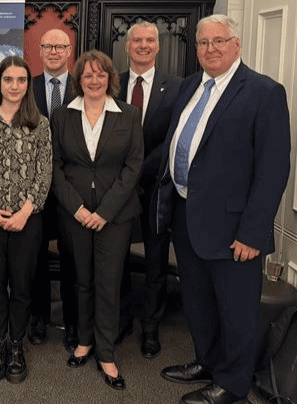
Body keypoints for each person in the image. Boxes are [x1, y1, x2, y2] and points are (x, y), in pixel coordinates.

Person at [156, 14, 290, 404]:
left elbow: (273, 168)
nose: (210, 49)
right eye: (203, 43)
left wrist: (254, 232)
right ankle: (208, 361)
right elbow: (178, 144)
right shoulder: (189, 87)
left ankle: (232, 384)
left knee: (236, 309)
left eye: (219, 41)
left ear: (237, 45)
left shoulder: (264, 92)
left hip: (235, 227)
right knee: (198, 300)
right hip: (187, 214)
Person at [50, 49, 143, 391]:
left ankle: (106, 353)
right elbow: (55, 166)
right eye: (87, 75)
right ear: (78, 80)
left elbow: (134, 166)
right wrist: (77, 208)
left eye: (100, 75)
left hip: (114, 216)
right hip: (74, 213)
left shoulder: (129, 115)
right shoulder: (61, 115)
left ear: (110, 79)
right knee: (81, 281)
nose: (93, 80)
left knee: (108, 283)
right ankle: (84, 341)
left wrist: (104, 212)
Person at [0, 56, 52, 383]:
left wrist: (24, 213)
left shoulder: (40, 124)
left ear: (28, 85)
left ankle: (16, 345)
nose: (14, 86)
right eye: (8, 80)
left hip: (27, 220)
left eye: (21, 80)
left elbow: (44, 174)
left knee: (21, 285)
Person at [116, 21, 182, 358]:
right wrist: (124, 176)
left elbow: (173, 140)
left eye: (150, 40)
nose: (143, 45)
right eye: (137, 40)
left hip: (157, 186)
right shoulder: (113, 84)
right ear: (127, 47)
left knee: (156, 260)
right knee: (118, 258)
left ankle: (150, 328)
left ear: (158, 47)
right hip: (118, 190)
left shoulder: (177, 87)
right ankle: (122, 318)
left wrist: (136, 171)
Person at [29, 28, 79, 351]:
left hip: (72, 188)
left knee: (73, 257)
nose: (54, 51)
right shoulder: (26, 85)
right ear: (40, 49)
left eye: (60, 46)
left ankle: (73, 323)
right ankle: (38, 318)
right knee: (35, 258)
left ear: (69, 50)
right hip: (35, 187)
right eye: (48, 46)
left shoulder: (85, 84)